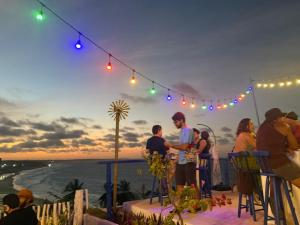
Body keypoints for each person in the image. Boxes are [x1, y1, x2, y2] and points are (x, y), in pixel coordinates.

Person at [256, 108, 300, 188]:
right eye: (281, 117)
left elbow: (272, 144)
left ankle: (273, 200)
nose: (283, 119)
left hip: (265, 166)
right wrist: (288, 129)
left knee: (277, 176)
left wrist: (285, 147)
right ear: (275, 119)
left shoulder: (261, 128)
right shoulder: (281, 127)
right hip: (278, 164)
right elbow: (295, 146)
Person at [166, 112, 199, 198]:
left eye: (176, 122)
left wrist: (171, 145)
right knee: (179, 184)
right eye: (174, 122)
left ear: (181, 120)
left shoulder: (188, 130)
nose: (175, 124)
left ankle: (196, 205)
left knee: (192, 185)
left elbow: (184, 147)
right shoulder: (182, 131)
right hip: (181, 161)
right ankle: (178, 207)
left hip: (189, 161)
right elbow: (183, 147)